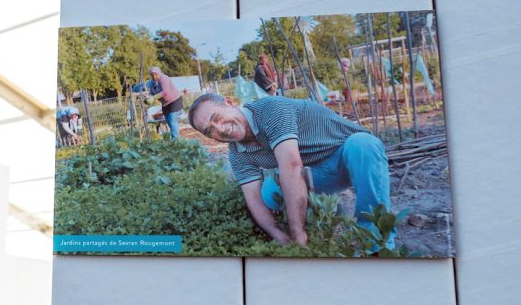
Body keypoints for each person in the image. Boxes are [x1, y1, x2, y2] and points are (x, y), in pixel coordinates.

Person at [187, 93, 392, 248]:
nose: (220, 129)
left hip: (348, 159)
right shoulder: (237, 152)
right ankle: (327, 212)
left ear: (229, 103)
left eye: (217, 117)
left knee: (363, 144)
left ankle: (374, 242)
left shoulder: (270, 109)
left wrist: (297, 234)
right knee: (268, 192)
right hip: (314, 173)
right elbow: (254, 201)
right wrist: (281, 238)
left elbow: (292, 168)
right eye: (209, 130)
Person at [147, 66, 183, 140]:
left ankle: (176, 142)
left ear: (159, 73)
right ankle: (175, 139)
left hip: (174, 101)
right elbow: (150, 92)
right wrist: (149, 97)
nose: (154, 76)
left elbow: (165, 91)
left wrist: (154, 98)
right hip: (165, 104)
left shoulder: (164, 78)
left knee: (172, 121)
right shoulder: (151, 83)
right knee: (168, 122)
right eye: (152, 75)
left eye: (155, 74)